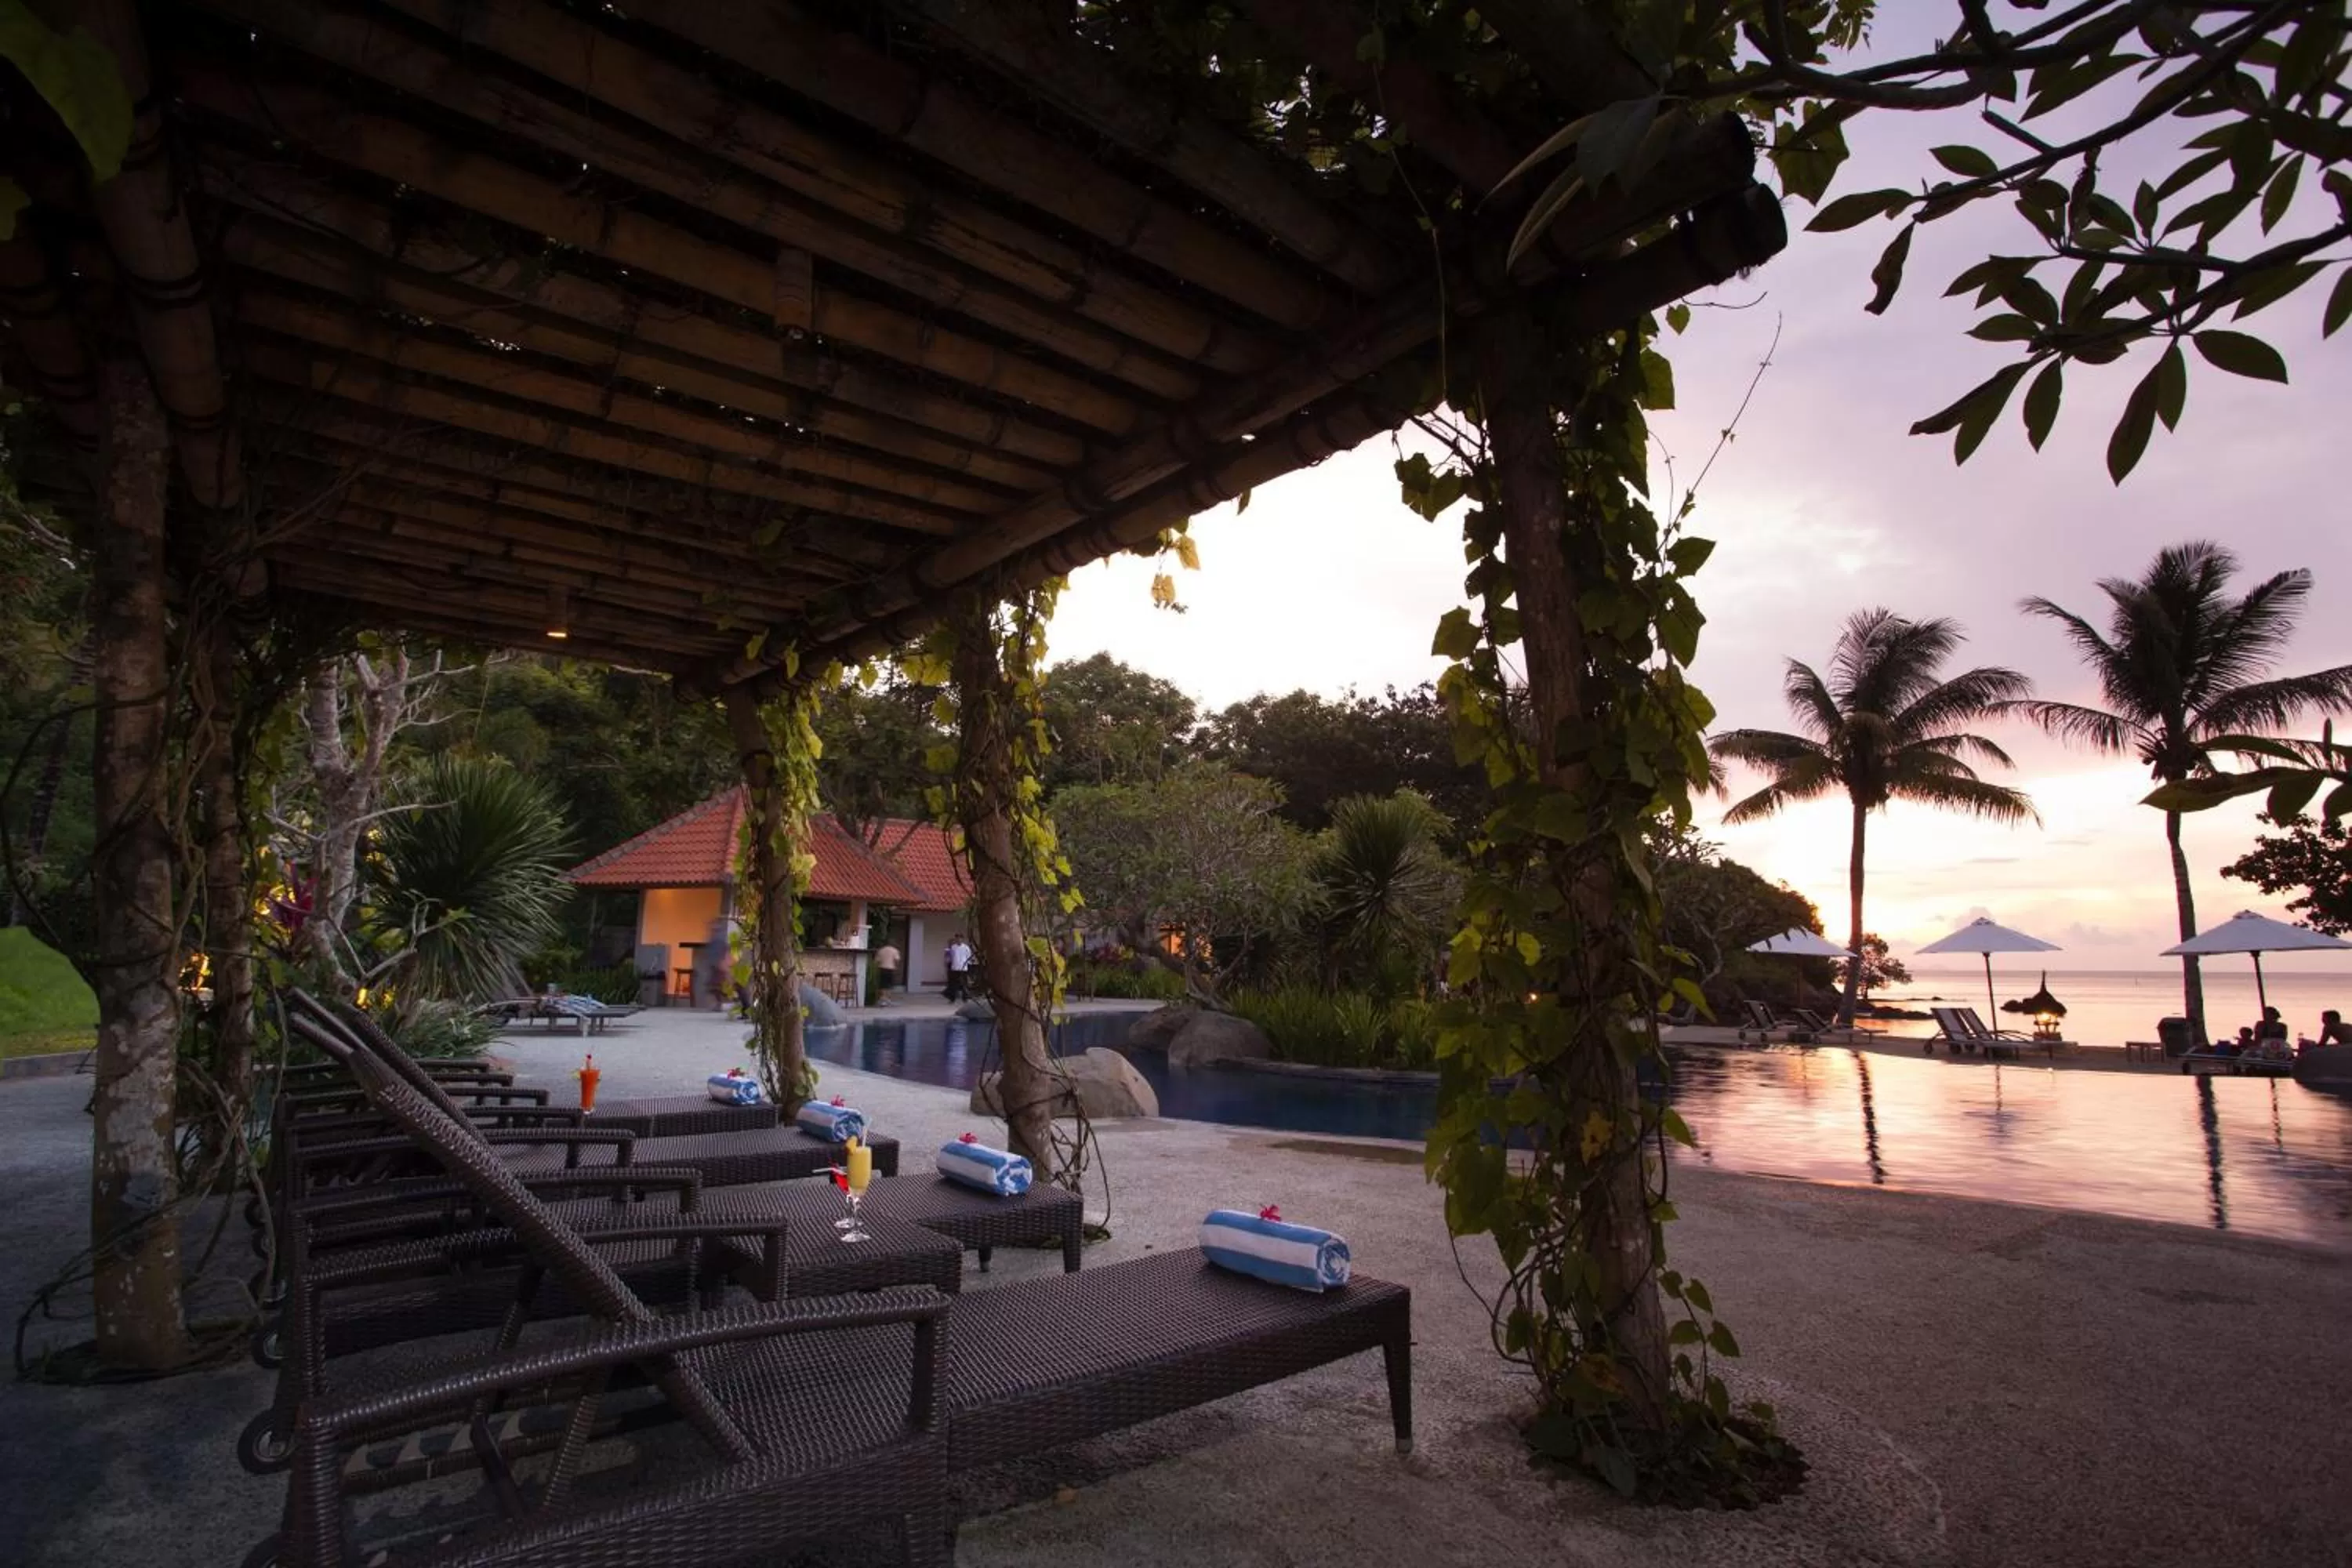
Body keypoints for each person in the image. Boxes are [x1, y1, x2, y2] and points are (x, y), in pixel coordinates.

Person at [944, 934, 974, 1002]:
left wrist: (969, 965)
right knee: (953, 984)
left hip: (963, 968)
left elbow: (969, 957)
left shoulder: (966, 948)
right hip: (955, 968)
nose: (958, 940)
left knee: (964, 984)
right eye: (957, 938)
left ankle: (965, 998)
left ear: (962, 939)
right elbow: (949, 957)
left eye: (960, 938)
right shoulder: (953, 947)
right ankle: (952, 998)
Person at [873, 940, 902, 1006]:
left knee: (882, 984)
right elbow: (897, 960)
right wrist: (896, 967)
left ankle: (882, 999)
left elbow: (876, 961)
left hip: (882, 968)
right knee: (889, 984)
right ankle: (887, 999)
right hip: (891, 969)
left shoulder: (881, 950)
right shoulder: (895, 950)